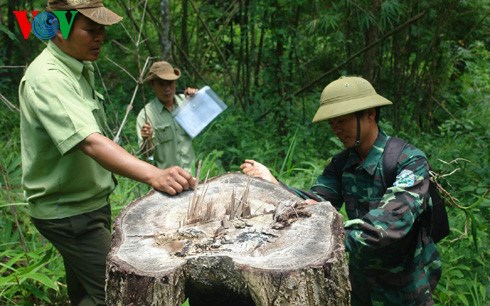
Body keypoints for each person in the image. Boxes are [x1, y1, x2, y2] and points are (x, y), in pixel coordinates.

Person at [18, 1, 195, 305]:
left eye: (102, 29)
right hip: (70, 214)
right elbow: (90, 141)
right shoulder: (48, 77)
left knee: (89, 293)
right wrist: (153, 174)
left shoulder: (78, 67)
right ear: (58, 28)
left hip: (88, 204)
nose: (100, 37)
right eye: (90, 29)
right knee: (122, 295)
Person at [241, 76, 441, 305]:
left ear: (370, 114)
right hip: (361, 285)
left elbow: (390, 223)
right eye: (332, 122)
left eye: (342, 120)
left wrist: (322, 237)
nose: (336, 129)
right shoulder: (342, 163)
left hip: (405, 288)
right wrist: (274, 184)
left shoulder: (408, 161)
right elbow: (315, 202)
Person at [136, 61, 197, 173]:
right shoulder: (146, 115)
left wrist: (199, 98)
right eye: (161, 84)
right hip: (167, 180)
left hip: (191, 174)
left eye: (170, 83)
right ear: (152, 85)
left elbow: (206, 118)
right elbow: (147, 156)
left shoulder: (186, 102)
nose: (167, 88)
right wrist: (147, 139)